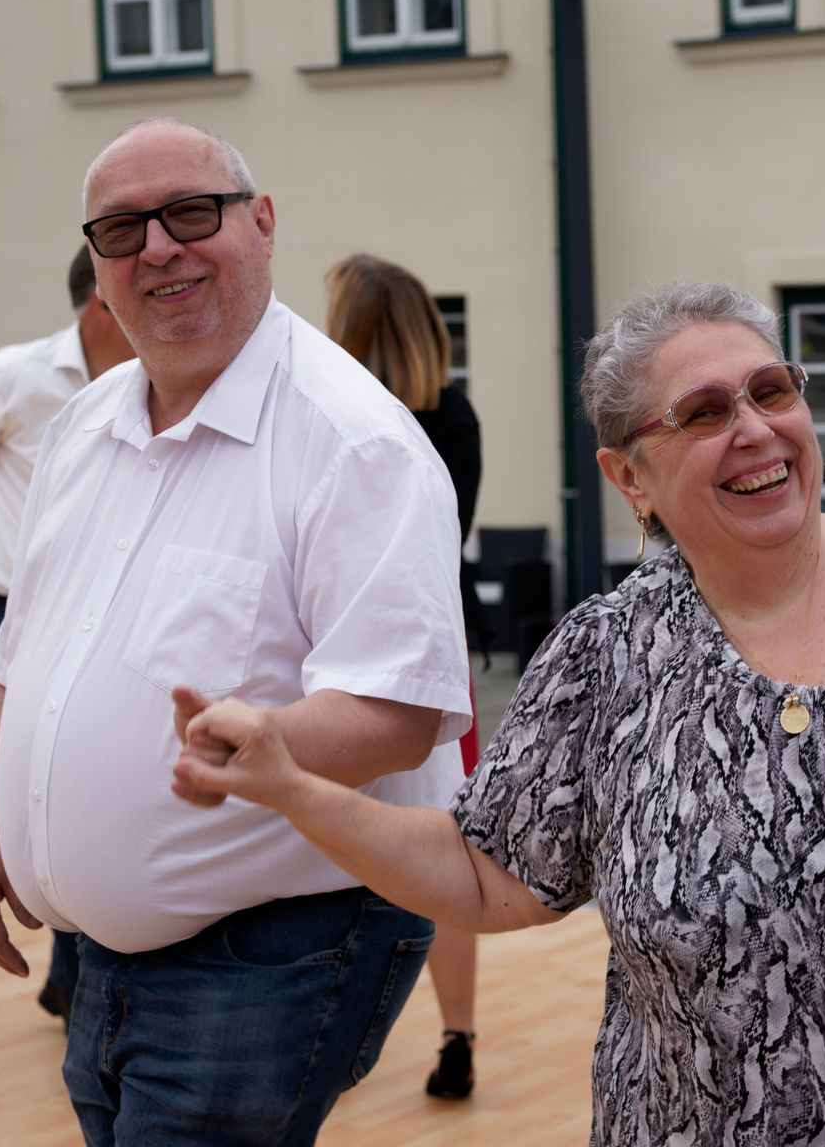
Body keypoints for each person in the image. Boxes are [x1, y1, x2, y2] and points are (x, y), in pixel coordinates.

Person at [168, 280, 825, 1144]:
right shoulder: (610, 656)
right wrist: (293, 789)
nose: (756, 430)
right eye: (703, 413)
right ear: (630, 477)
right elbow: (488, 878)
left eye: (771, 391)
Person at [0, 117, 472, 1146]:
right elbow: (23, 648)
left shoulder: (354, 442)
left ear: (262, 223)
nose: (158, 248)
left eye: (191, 213)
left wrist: (268, 748)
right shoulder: (85, 427)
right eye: (122, 229)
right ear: (96, 264)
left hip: (275, 950)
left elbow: (402, 713)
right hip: (112, 957)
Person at [0, 246, 134, 1026]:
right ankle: (72, 974)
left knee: (81, 781)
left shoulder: (150, 383)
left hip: (100, 612)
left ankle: (70, 973)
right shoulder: (11, 376)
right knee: (31, 780)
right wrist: (10, 537)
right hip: (7, 610)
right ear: (99, 300)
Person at [324, 251, 485, 1100]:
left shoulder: (334, 420)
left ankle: (328, 1027)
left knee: (331, 836)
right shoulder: (453, 416)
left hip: (342, 657)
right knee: (442, 850)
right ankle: (457, 1036)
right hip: (438, 655)